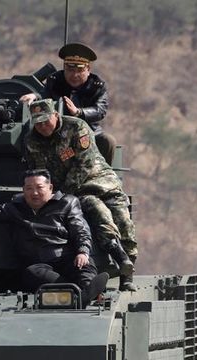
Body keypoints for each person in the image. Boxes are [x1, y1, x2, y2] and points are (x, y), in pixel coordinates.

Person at [22, 98, 138, 291]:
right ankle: (120, 258)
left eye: (46, 120)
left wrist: (61, 196)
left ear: (56, 115)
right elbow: (40, 173)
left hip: (98, 180)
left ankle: (128, 271)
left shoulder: (77, 127)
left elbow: (83, 165)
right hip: (77, 193)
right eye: (38, 122)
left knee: (124, 221)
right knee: (98, 212)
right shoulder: (31, 141)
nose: (42, 126)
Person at [0, 170, 108, 306]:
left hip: (67, 258)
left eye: (39, 188)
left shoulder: (67, 203)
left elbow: (80, 229)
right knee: (32, 273)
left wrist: (83, 251)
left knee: (85, 265)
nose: (34, 193)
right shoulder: (17, 208)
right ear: (23, 190)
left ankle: (86, 292)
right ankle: (78, 295)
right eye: (29, 188)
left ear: (50, 187)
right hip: (40, 264)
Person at [20, 42, 117, 164]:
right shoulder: (55, 81)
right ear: (64, 68)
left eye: (80, 70)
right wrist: (34, 95)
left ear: (88, 69)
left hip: (88, 134)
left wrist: (79, 112)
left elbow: (100, 110)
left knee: (108, 141)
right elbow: (43, 95)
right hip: (59, 136)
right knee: (63, 154)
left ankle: (101, 178)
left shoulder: (96, 86)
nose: (74, 75)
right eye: (70, 70)